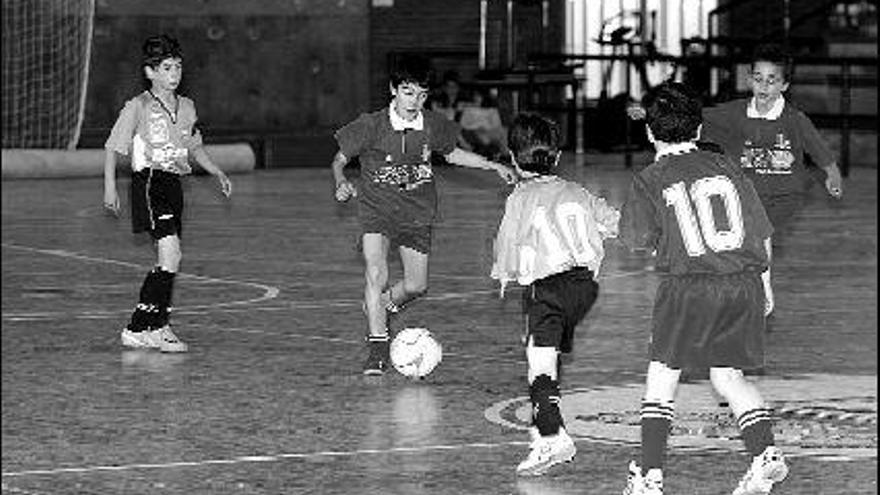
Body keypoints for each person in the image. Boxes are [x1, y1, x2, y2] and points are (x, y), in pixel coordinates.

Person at [618, 81, 788, 495]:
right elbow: (761, 231)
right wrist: (766, 286)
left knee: (662, 378)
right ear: (698, 131)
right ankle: (764, 453)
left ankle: (650, 475)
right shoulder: (728, 167)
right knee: (729, 375)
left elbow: (637, 239)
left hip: (690, 288)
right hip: (743, 283)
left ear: (649, 133)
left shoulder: (651, 177)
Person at [331, 55, 517, 375]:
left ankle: (383, 304)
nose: (414, 100)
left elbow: (452, 153)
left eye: (421, 94)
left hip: (416, 213)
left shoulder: (432, 125)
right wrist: (341, 182)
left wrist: (492, 164)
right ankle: (378, 346)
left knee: (416, 286)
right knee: (376, 273)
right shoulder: (370, 125)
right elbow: (338, 160)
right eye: (407, 91)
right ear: (393, 89)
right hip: (377, 209)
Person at [628, 44, 844, 318]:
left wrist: (832, 174)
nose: (764, 86)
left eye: (772, 80)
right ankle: (735, 286)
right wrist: (649, 113)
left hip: (784, 198)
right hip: (746, 194)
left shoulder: (795, 120)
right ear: (749, 79)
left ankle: (762, 283)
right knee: (741, 236)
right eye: (758, 78)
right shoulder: (734, 113)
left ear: (785, 85)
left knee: (756, 233)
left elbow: (818, 149)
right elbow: (689, 118)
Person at [490, 113, 620, 476]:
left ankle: (552, 437)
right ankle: (545, 420)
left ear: (513, 159)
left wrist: (504, 275)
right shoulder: (577, 191)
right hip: (584, 288)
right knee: (548, 353)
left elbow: (508, 242)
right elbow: (611, 221)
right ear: (558, 156)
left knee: (539, 366)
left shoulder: (519, 197)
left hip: (546, 288)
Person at [103, 34, 232, 353]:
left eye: (177, 67)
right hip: (149, 183)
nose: (174, 73)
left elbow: (193, 146)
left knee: (170, 258)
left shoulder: (186, 107)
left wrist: (216, 170)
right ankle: (158, 326)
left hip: (174, 185)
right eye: (166, 67)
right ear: (151, 72)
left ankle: (138, 327)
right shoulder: (138, 106)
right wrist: (109, 186)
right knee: (171, 254)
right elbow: (112, 147)